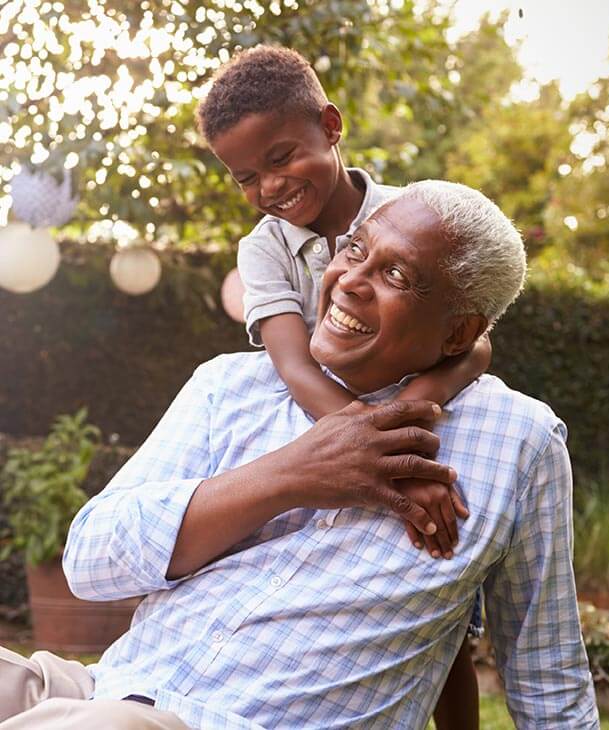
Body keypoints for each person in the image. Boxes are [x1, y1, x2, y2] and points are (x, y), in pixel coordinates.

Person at [0, 182, 599, 730]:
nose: (350, 280)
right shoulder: (230, 385)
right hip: (106, 687)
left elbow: (546, 672)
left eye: (396, 275)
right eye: (356, 250)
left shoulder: (520, 443)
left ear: (458, 335)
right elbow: (90, 564)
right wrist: (290, 475)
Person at [197, 47, 488, 725]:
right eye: (245, 176)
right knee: (348, 603)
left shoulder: (414, 214)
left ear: (330, 125)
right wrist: (377, 452)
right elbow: (295, 367)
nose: (269, 187)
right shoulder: (264, 249)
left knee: (438, 620)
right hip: (322, 438)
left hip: (422, 433)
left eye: (280, 157)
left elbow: (476, 345)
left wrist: (414, 418)